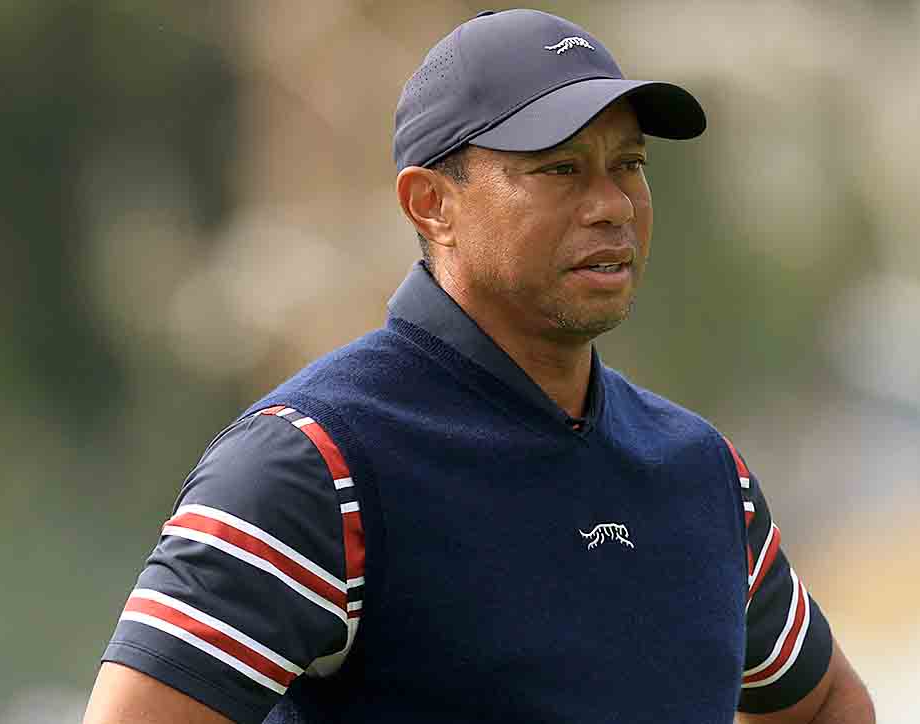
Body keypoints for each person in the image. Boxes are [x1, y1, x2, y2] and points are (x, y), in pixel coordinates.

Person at [83, 9, 874, 724]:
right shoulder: (314, 464)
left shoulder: (702, 472)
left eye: (628, 164)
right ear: (432, 203)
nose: (612, 204)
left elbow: (825, 702)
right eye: (560, 169)